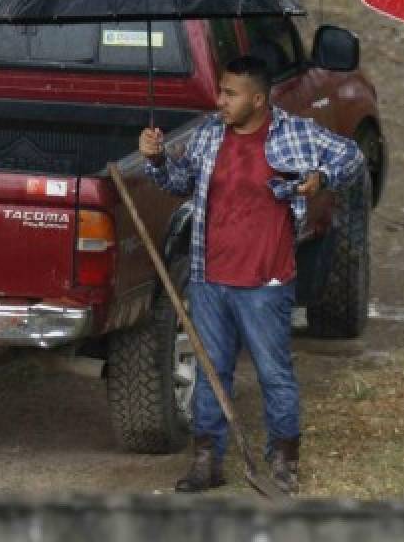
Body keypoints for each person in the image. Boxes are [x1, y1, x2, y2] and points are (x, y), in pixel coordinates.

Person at [139, 54, 364, 495]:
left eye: (230, 93)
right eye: (220, 90)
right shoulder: (208, 135)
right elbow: (179, 182)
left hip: (265, 284)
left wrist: (321, 175)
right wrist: (158, 159)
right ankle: (208, 461)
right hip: (209, 278)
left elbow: (353, 157)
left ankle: (283, 462)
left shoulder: (296, 133)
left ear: (258, 100)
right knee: (211, 371)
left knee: (273, 373)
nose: (219, 100)